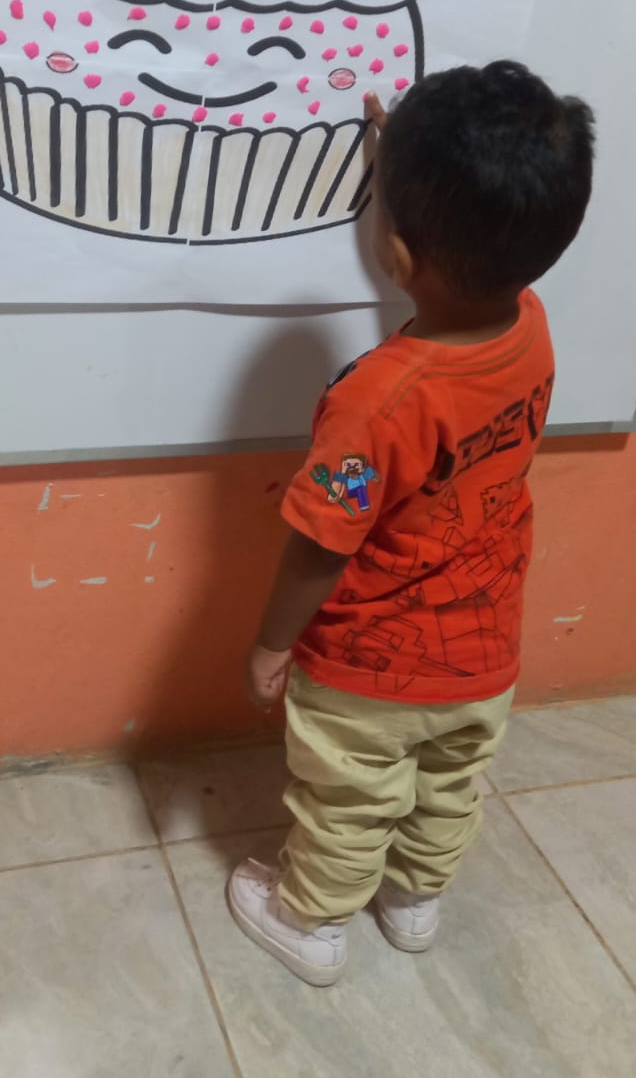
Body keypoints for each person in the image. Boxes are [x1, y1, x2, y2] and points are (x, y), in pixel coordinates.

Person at [227, 61, 595, 987]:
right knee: (447, 786)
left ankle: (310, 923)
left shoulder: (379, 401)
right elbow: (457, 258)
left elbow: (321, 542)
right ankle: (413, 901)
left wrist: (272, 645)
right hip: (485, 651)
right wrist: (403, 167)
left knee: (350, 800)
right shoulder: (531, 321)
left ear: (393, 250)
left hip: (370, 666)